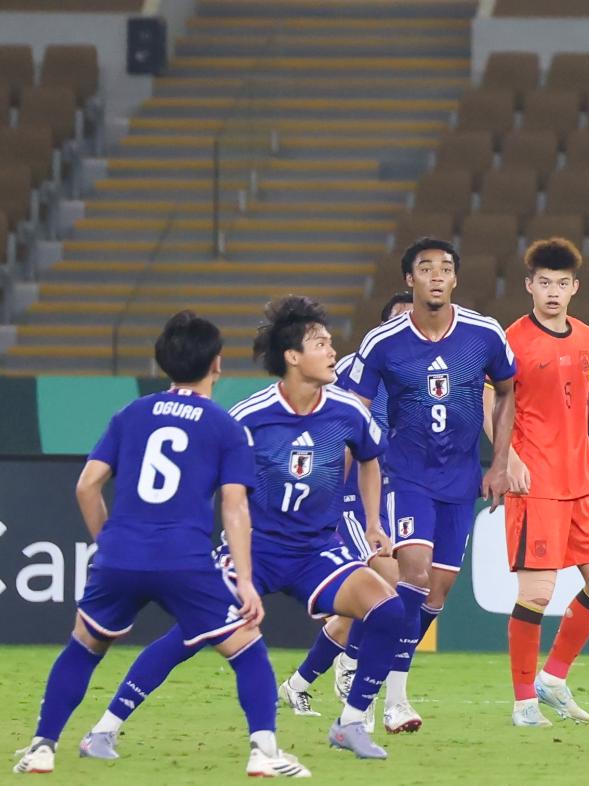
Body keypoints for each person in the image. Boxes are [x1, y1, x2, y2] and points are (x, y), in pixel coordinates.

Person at [80, 296, 403, 761]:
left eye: (331, 342)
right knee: (190, 634)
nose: (333, 351)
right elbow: (209, 482)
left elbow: (370, 458)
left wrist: (373, 523)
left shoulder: (348, 410)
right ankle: (104, 729)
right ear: (292, 356)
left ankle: (350, 723)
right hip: (255, 551)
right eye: (321, 344)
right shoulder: (248, 416)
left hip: (317, 552)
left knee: (389, 608)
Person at [13, 311, 311, 777]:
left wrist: (108, 542)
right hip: (183, 560)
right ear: (217, 363)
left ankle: (42, 748)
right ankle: (264, 751)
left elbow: (87, 485)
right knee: (248, 647)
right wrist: (246, 581)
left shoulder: (131, 413)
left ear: (163, 363)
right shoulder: (225, 426)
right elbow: (235, 507)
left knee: (84, 646)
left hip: (120, 556)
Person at [342, 236, 516, 734]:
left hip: (460, 479)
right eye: (425, 268)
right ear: (409, 279)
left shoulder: (484, 333)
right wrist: (340, 477)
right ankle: (384, 701)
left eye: (445, 268)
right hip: (407, 475)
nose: (436, 275)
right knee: (413, 573)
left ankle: (372, 667)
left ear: (455, 278)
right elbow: (355, 413)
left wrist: (499, 464)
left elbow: (508, 393)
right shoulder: (383, 342)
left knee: (436, 593)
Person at [481, 237, 589, 727]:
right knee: (537, 593)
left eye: (561, 284)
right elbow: (489, 402)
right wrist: (508, 458)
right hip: (535, 482)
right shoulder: (511, 341)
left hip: (582, 480)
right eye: (544, 283)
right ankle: (524, 702)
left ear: (575, 288)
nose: (553, 292)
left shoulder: (586, 337)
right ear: (529, 286)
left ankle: (553, 678)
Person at [275, 291, 414, 729]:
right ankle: (352, 668)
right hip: (352, 496)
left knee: (374, 597)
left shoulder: (419, 368)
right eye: (398, 320)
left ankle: (298, 683)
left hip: (392, 490)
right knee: (387, 577)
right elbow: (335, 431)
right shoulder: (353, 369)